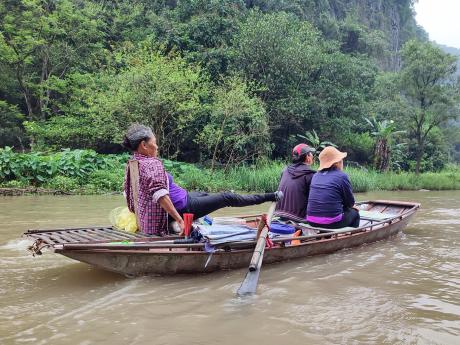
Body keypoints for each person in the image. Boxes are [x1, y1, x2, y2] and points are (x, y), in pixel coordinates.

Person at [122, 124, 282, 236]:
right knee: (227, 198)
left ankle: (203, 217)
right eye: (154, 143)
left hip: (184, 198)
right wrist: (179, 220)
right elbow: (160, 195)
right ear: (144, 145)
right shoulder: (150, 163)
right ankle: (271, 196)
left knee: (205, 194)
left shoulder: (133, 162)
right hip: (183, 206)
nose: (157, 147)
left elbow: (127, 194)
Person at [306, 146, 360, 229]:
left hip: (311, 220)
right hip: (331, 223)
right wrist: (351, 207)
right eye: (341, 160)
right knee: (355, 214)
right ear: (337, 163)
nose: (342, 163)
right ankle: (350, 238)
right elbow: (350, 203)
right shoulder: (342, 176)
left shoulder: (316, 175)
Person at [275, 143, 316, 219]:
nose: (312, 155)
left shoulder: (285, 170)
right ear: (307, 157)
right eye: (311, 153)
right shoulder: (310, 174)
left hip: (280, 215)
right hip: (298, 218)